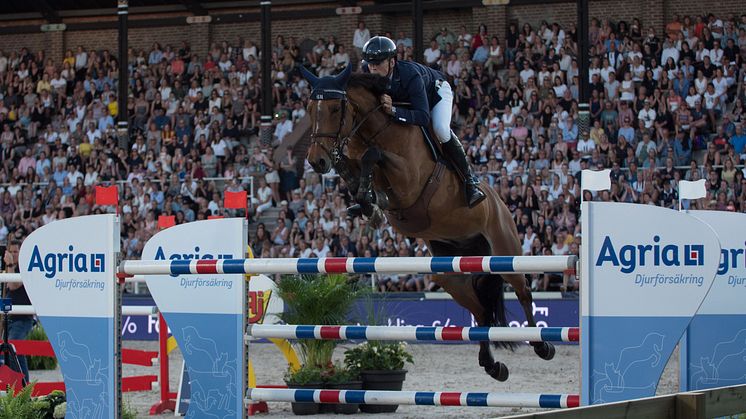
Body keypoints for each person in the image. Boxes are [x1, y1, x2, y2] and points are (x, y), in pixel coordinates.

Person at [359, 36, 485, 208]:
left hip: (436, 93)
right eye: (370, 62)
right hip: (408, 101)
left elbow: (423, 117)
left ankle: (470, 183)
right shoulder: (367, 69)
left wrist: (394, 111)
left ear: (392, 62)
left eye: (378, 62)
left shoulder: (410, 76)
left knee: (440, 129)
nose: (372, 67)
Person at [2, 233, 33, 384]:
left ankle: (24, 384)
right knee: (8, 351)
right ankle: (13, 384)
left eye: (16, 251)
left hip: (22, 318)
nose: (13, 254)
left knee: (15, 346)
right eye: (11, 251)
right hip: (9, 318)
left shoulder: (24, 266)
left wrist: (9, 265)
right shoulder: (8, 268)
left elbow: (14, 285)